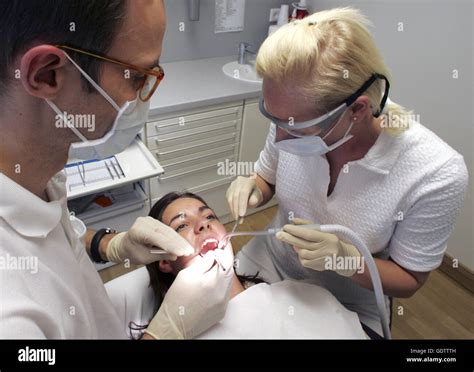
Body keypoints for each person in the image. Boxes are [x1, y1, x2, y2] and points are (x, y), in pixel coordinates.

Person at [225, 7, 468, 336]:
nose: (280, 137)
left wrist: (346, 259)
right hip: (271, 259)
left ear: (357, 110)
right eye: (275, 120)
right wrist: (253, 185)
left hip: (349, 299)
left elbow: (409, 280)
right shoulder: (293, 117)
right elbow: (265, 178)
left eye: (295, 129)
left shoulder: (436, 172)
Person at [0, 0, 232, 339]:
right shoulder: (12, 320)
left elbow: (52, 235)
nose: (145, 95)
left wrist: (111, 245)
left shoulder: (36, 171)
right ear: (46, 73)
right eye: (138, 76)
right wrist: (166, 333)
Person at [132, 192, 367, 339]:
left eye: (210, 216)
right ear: (164, 261)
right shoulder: (172, 330)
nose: (202, 225)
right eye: (181, 225)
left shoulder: (305, 293)